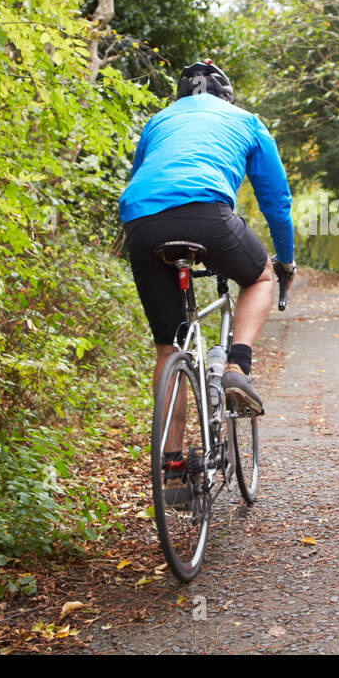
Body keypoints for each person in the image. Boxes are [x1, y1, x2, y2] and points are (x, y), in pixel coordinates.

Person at [120, 60, 296, 496]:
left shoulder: (158, 121)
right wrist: (285, 262)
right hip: (208, 216)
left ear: (181, 96)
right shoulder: (247, 121)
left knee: (170, 347)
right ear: (226, 98)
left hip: (142, 225)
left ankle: (172, 465)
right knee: (258, 278)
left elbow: (142, 176)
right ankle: (238, 365)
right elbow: (276, 201)